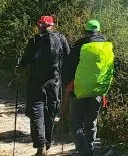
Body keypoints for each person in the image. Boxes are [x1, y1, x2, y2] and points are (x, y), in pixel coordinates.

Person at [16, 15, 71, 156]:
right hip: (54, 83)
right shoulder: (61, 39)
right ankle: (47, 145)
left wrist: (18, 69)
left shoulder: (34, 40)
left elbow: (24, 61)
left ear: (42, 25)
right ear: (52, 25)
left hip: (35, 83)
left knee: (36, 113)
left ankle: (40, 145)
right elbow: (68, 59)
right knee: (50, 114)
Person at [62, 19, 115, 156]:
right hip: (98, 90)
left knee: (76, 125)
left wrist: (67, 84)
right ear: (98, 31)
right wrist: (104, 90)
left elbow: (67, 68)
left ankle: (85, 153)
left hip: (78, 90)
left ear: (85, 31)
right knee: (91, 123)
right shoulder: (107, 46)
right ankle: (90, 149)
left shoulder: (80, 46)